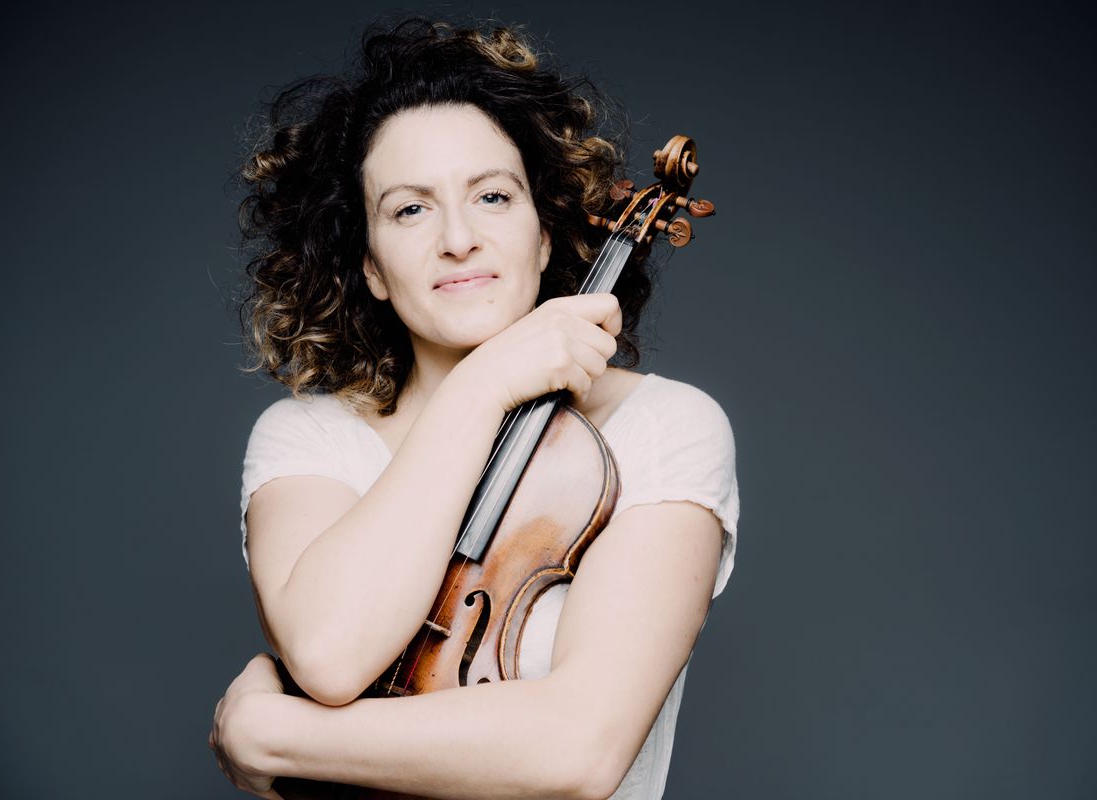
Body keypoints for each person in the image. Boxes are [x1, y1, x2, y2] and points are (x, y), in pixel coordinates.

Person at [209, 17, 739, 800]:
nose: (458, 238)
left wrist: (270, 733)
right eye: (409, 210)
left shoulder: (660, 429)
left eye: (492, 196)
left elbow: (579, 751)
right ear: (372, 267)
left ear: (544, 232)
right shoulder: (309, 438)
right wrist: (482, 385)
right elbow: (330, 655)